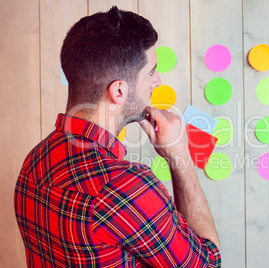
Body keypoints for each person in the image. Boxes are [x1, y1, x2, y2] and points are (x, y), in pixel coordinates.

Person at [14, 6, 221, 268]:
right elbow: (208, 263)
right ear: (119, 91)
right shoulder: (126, 187)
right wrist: (180, 156)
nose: (157, 81)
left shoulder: (35, 160)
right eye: (151, 71)